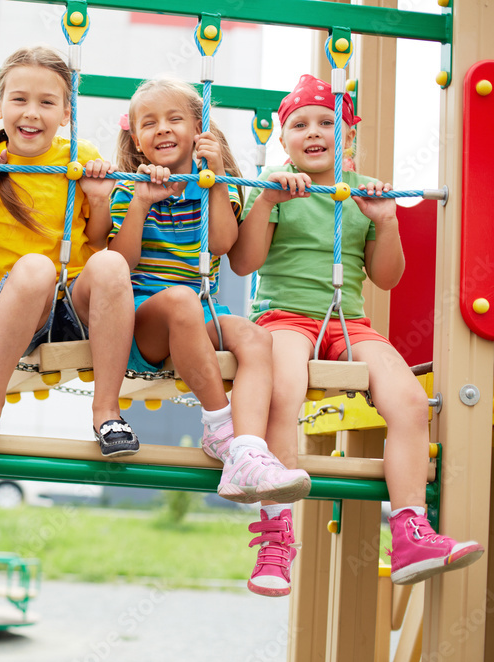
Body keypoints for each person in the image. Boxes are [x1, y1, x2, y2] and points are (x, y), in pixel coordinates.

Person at [229, 74, 484, 596]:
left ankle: (410, 533)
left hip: (348, 324)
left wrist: (385, 222)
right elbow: (243, 263)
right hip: (283, 317)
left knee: (411, 403)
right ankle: (277, 536)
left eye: (327, 122)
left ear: (346, 136)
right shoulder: (277, 186)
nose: (314, 132)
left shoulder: (362, 191)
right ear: (284, 140)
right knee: (283, 394)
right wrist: (266, 204)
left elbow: (386, 277)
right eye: (299, 125)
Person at [108, 78, 310, 507]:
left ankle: (247, 449)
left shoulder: (220, 187)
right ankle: (220, 428)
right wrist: (143, 203)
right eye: (149, 123)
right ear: (138, 142)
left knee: (257, 338)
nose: (162, 128)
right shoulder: (129, 187)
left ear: (200, 129)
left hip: (202, 314)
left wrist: (216, 181)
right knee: (180, 300)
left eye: (174, 118)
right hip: (143, 321)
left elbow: (221, 243)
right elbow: (121, 263)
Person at [0, 46, 139, 459]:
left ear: (66, 113)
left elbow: (102, 243)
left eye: (47, 102)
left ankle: (107, 410)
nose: (31, 112)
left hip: (78, 307)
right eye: (19, 99)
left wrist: (100, 200)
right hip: (17, 305)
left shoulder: (80, 158)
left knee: (111, 263)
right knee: (34, 267)